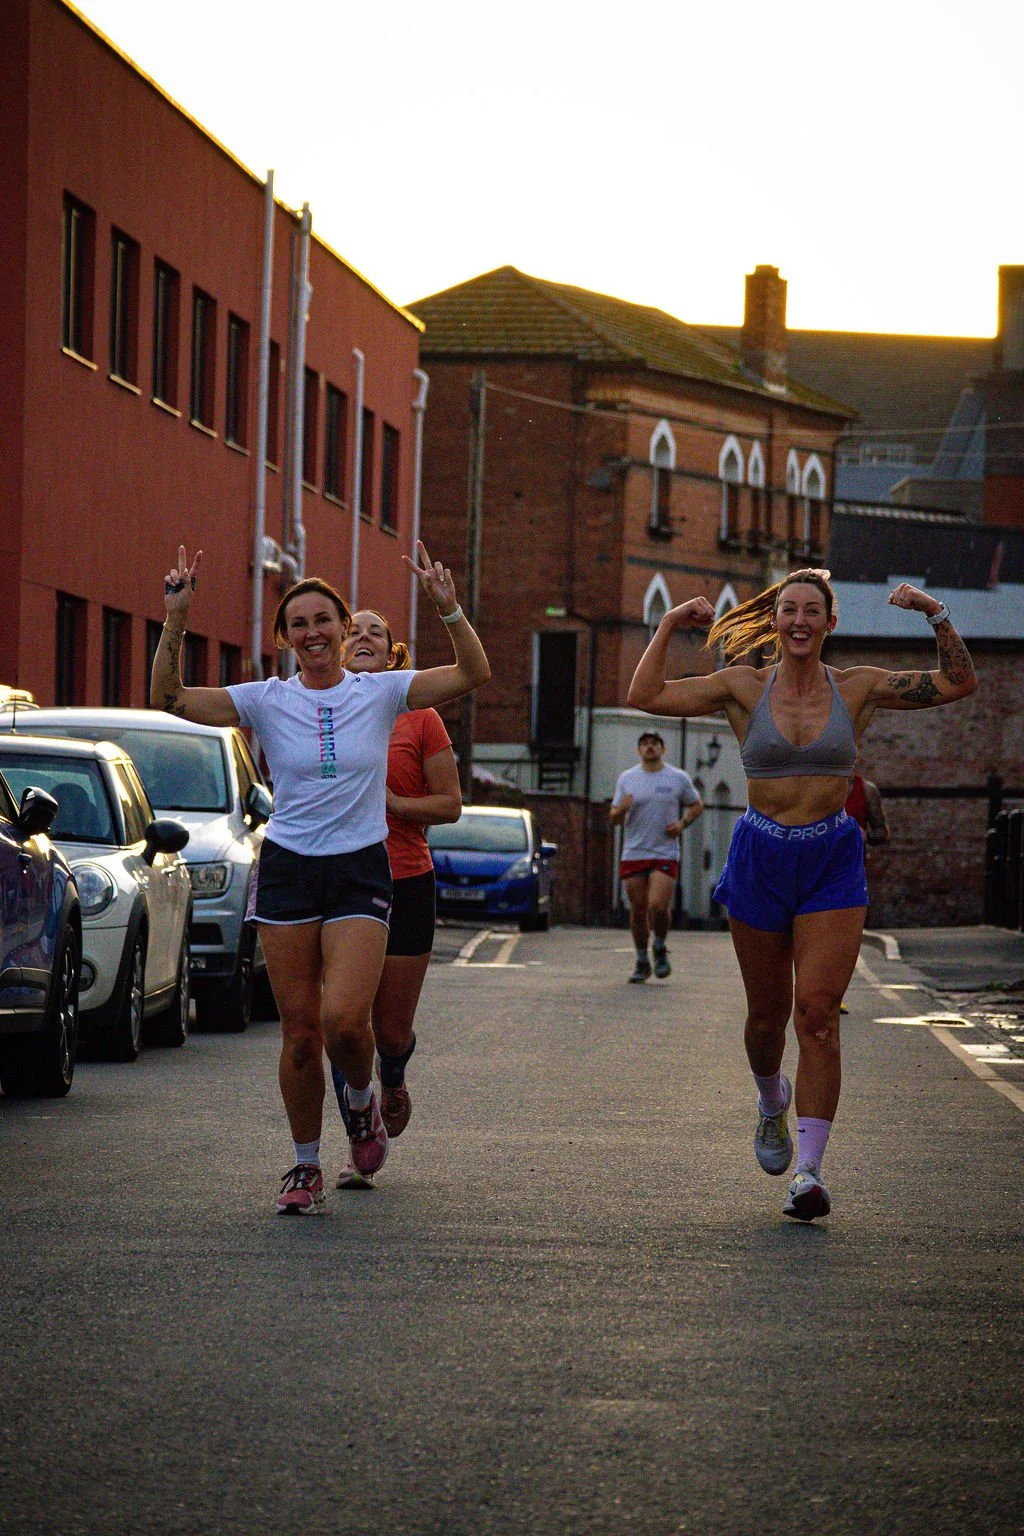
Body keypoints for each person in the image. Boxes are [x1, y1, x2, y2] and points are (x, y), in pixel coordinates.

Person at [151, 541, 490, 1215]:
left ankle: (361, 1103)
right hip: (288, 869)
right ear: (285, 638)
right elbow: (170, 699)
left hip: (362, 866)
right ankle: (305, 1165)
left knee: (344, 1022)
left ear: (343, 630)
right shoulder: (267, 699)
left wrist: (448, 608)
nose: (313, 633)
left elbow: (472, 673)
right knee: (301, 1033)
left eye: (324, 621)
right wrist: (177, 617)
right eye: (298, 623)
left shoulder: (384, 690)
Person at [627, 569, 976, 1221]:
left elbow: (959, 682)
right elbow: (643, 692)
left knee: (816, 1014)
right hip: (760, 858)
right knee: (766, 1020)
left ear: (828, 623)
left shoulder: (860, 687)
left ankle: (809, 1173)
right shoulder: (742, 686)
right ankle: (770, 1101)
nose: (799, 621)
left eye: (812, 612)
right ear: (775, 619)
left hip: (831, 861)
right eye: (788, 610)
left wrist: (934, 611)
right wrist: (672, 623)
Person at [329, 608, 462, 1189]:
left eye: (374, 632)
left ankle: (396, 1068)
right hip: (339, 878)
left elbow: (450, 805)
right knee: (343, 1020)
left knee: (389, 1028)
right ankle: (360, 1132)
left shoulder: (420, 718)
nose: (361, 637)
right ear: (336, 647)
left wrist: (392, 804)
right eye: (352, 631)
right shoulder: (320, 712)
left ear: (392, 654)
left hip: (406, 879)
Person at [609, 732, 703, 982]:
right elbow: (614, 819)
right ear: (639, 750)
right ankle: (642, 960)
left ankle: (659, 947)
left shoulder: (677, 777)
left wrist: (682, 823)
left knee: (657, 906)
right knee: (638, 909)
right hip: (634, 852)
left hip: (665, 851)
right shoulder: (628, 778)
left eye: (654, 744)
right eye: (645, 744)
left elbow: (696, 805)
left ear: (663, 749)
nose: (649, 748)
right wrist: (622, 809)